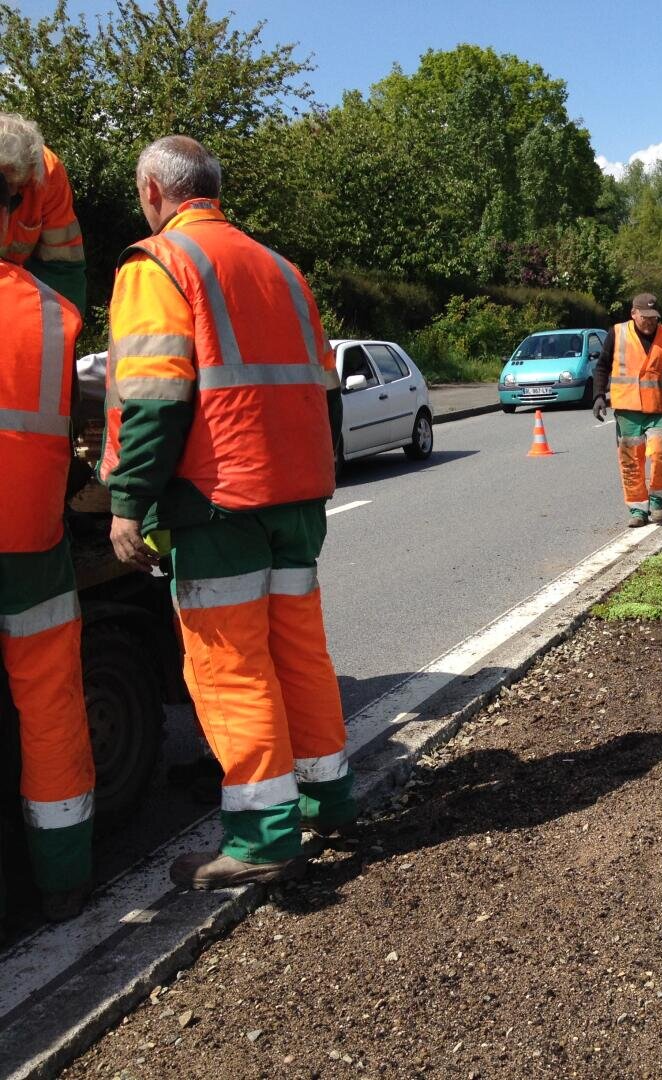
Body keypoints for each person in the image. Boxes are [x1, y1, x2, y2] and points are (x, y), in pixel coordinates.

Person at [101, 135, 355, 890]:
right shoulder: (281, 268)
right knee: (298, 653)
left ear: (154, 191)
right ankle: (328, 796)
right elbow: (320, 387)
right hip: (294, 495)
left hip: (219, 501)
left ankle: (260, 838)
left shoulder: (158, 264)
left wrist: (128, 502)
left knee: (230, 667)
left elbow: (151, 400)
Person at [0, 170, 94, 923]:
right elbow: (66, 267)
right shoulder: (51, 313)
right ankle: (65, 880)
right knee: (51, 706)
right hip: (31, 538)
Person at [591, 293, 662, 527]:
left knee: (661, 454)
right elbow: (602, 366)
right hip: (628, 410)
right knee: (631, 460)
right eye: (644, 317)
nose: (649, 321)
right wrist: (598, 396)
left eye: (653, 317)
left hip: (658, 408)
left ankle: (657, 502)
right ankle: (637, 510)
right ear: (633, 313)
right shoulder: (617, 333)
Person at [0, 113, 86, 312]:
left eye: (20, 185)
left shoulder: (47, 172)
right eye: (7, 185)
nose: (12, 194)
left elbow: (63, 265)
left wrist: (67, 325)